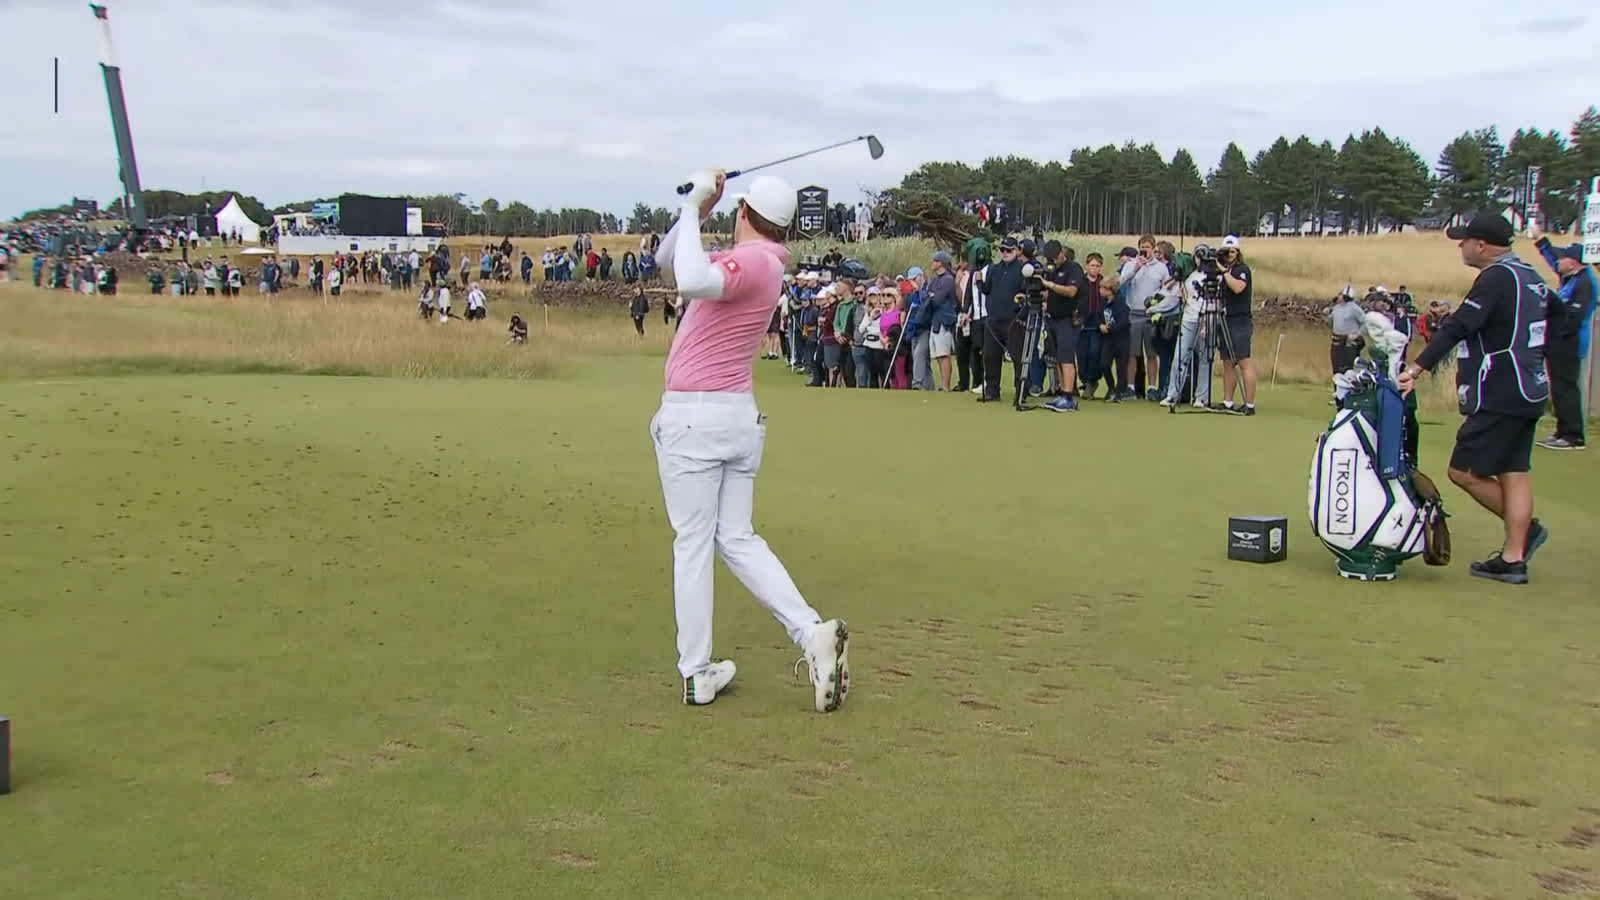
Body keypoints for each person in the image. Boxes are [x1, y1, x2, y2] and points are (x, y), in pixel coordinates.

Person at [651, 168, 851, 711]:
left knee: (693, 542)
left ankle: (695, 672)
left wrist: (694, 204)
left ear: (745, 213)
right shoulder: (759, 262)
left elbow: (688, 281)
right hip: (733, 419)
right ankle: (811, 633)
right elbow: (670, 261)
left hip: (697, 419)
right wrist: (697, 211)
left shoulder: (755, 263)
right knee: (735, 537)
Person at [1398, 212, 1550, 585]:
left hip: (1501, 388)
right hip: (1529, 388)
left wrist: (1415, 370)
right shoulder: (1531, 277)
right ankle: (1513, 559)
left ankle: (1524, 531)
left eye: (1464, 241)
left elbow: (1459, 326)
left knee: (1463, 471)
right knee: (1514, 470)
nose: (1461, 247)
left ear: (1481, 246)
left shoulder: (1496, 278)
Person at [1530, 223, 1596, 450]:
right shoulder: (1570, 276)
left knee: (1566, 388)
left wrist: (1555, 338)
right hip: (1559, 341)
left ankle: (1573, 436)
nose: (1559, 261)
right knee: (1559, 388)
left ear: (1574, 262)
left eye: (1564, 258)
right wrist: (1540, 239)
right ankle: (1563, 431)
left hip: (1570, 343)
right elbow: (1552, 256)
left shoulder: (1585, 283)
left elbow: (1574, 318)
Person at [1214, 235, 1256, 414]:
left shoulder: (1241, 269)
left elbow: (1238, 288)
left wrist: (1224, 273)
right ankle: (1228, 402)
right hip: (1226, 319)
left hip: (1240, 320)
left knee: (1244, 361)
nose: (1229, 255)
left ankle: (1250, 404)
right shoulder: (1225, 271)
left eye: (1232, 251)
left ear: (1238, 253)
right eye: (1226, 252)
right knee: (1228, 362)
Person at [1039, 240, 1081, 412]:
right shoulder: (1052, 270)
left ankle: (1069, 397)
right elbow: (1050, 294)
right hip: (1053, 318)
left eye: (1055, 257)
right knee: (1057, 358)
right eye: (1051, 259)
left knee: (1066, 358)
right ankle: (1062, 392)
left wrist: (1049, 285)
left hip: (1068, 319)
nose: (1054, 261)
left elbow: (1071, 291)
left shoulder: (1073, 268)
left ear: (1062, 253)